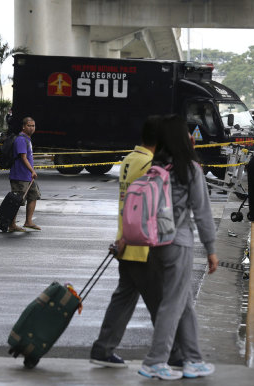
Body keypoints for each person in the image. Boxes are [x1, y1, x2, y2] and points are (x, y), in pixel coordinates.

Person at [90, 116, 182, 368]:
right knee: (161, 303)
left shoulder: (130, 160)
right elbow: (153, 208)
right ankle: (175, 354)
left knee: (124, 297)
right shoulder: (149, 165)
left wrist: (121, 238)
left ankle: (103, 348)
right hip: (144, 244)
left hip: (126, 240)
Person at [138, 114, 218, 380]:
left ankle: (193, 359)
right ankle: (155, 360)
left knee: (183, 303)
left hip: (155, 242)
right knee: (173, 304)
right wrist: (211, 248)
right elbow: (202, 212)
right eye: (186, 132)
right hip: (179, 242)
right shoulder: (189, 168)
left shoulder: (155, 167)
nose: (190, 136)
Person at [8, 117, 41, 232]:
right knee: (17, 201)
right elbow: (23, 158)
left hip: (27, 176)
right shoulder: (21, 139)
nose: (32, 128)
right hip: (19, 176)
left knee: (34, 195)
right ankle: (11, 224)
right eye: (29, 126)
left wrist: (31, 172)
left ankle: (28, 221)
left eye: (33, 126)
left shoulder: (27, 139)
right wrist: (32, 170)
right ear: (23, 126)